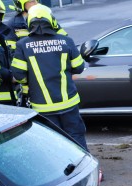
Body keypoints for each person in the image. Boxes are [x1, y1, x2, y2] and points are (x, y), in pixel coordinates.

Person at [11, 4, 88, 150]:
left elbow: (19, 76)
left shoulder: (22, 45)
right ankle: (84, 165)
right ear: (51, 21)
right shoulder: (66, 41)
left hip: (43, 106)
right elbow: (79, 67)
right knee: (76, 135)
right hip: (68, 103)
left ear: (29, 23)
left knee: (53, 141)